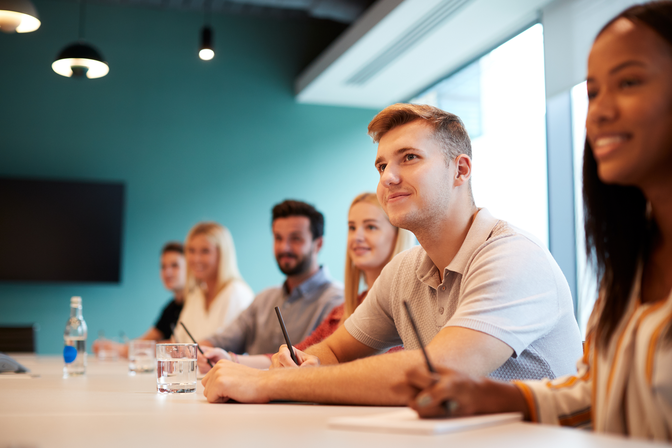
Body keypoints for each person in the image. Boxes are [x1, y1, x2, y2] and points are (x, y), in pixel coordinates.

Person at [403, 3, 672, 441]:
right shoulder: (633, 259)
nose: (599, 112)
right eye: (593, 92)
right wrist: (496, 397)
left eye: (629, 82)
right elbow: (597, 391)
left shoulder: (511, 255)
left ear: (461, 170)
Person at [200, 104, 583, 405]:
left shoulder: (513, 257)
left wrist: (276, 381)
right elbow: (334, 348)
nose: (387, 177)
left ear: (460, 170)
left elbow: (436, 370)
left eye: (409, 158)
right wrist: (303, 363)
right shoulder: (404, 269)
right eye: (382, 165)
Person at [197, 193, 414, 371]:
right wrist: (231, 361)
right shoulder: (341, 310)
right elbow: (300, 353)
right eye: (351, 227)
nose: (357, 237)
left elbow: (382, 372)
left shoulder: (398, 306)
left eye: (370, 227)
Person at [196, 200, 343, 370]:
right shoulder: (264, 299)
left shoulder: (337, 302)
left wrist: (233, 360)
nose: (284, 247)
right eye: (278, 238)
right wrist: (200, 351)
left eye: (296, 239)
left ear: (318, 244)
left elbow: (314, 358)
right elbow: (223, 339)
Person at [93, 241, 187, 357]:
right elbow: (147, 339)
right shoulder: (170, 308)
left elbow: (179, 346)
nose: (167, 272)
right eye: (163, 267)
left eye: (174, 265)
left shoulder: (195, 305)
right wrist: (117, 347)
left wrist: (122, 349)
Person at [172, 222, 254, 343]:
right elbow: (177, 343)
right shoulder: (196, 295)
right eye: (191, 250)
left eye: (205, 251)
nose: (196, 259)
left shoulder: (237, 294)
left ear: (222, 254)